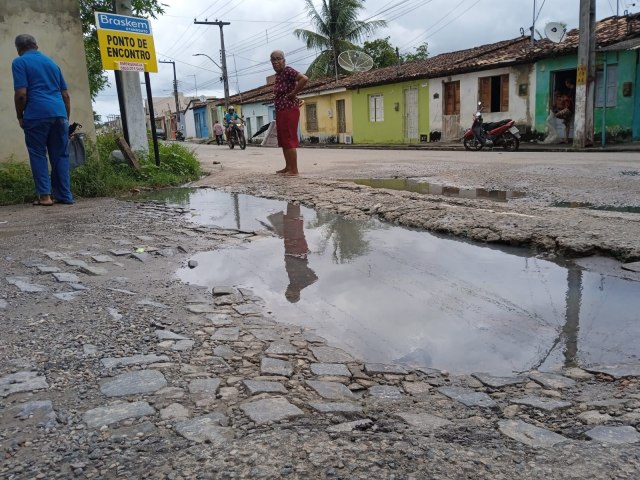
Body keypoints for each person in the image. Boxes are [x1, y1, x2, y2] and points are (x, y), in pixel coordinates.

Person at [12, 34, 73, 206]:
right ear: (36, 45)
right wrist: (65, 119)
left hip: (36, 114)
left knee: (38, 154)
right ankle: (65, 196)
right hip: (59, 114)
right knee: (61, 155)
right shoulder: (52, 64)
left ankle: (45, 197)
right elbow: (65, 95)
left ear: (19, 49)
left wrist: (20, 115)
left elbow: (21, 94)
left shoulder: (20, 62)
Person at [267, 203, 317, 303]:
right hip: (296, 251)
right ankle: (293, 201)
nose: (287, 291)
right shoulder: (300, 284)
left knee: (290, 224)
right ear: (296, 294)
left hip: (291, 251)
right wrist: (303, 267)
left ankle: (292, 201)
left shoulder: (294, 282)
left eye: (287, 293)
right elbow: (314, 278)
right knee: (292, 223)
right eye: (289, 294)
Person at [270, 50, 308, 176]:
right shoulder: (279, 76)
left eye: (278, 59)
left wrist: (293, 93)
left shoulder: (288, 71)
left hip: (289, 110)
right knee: (283, 140)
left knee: (289, 139)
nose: (275, 62)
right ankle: (288, 167)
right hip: (281, 110)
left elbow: (304, 79)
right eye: (273, 60)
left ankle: (294, 170)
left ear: (284, 60)